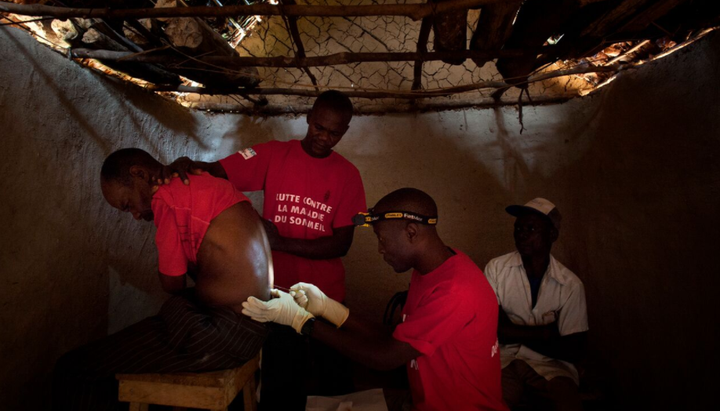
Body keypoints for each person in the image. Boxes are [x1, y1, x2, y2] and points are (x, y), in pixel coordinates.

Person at [159, 90, 366, 409]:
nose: (324, 137)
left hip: (325, 297)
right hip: (277, 295)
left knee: (335, 384)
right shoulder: (273, 154)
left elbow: (342, 243)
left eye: (334, 133)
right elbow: (218, 172)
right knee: (281, 383)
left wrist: (279, 242)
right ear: (309, 118)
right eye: (319, 127)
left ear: (346, 131)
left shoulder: (348, 176)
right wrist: (187, 165)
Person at [242, 188, 508, 411]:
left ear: (411, 232)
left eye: (382, 240)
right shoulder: (434, 269)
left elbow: (385, 358)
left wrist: (302, 322)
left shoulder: (454, 290)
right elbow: (397, 338)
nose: (381, 249)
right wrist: (329, 308)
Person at [52, 148, 271, 410]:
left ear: (139, 173)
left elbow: (172, 284)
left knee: (75, 367)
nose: (134, 215)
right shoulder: (201, 183)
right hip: (252, 327)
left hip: (222, 334)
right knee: (173, 311)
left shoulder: (166, 197)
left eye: (128, 204)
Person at [484, 198, 588, 411]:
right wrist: (546, 334)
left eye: (531, 228)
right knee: (490, 404)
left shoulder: (570, 285)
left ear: (552, 235)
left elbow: (572, 349)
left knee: (567, 404)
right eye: (518, 227)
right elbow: (495, 331)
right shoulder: (496, 268)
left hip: (552, 367)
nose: (521, 233)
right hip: (503, 361)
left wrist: (511, 331)